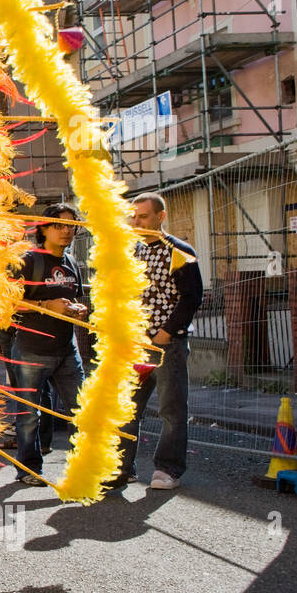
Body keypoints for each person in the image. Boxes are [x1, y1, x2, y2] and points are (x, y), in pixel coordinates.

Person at [112, 192, 203, 490]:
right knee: (126, 408)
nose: (136, 221)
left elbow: (192, 297)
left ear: (160, 217)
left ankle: (168, 469)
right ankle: (121, 469)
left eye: (144, 216)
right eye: (133, 216)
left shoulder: (179, 250)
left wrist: (166, 333)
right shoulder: (133, 252)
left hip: (168, 345)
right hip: (135, 344)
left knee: (171, 408)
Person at [10, 202, 88, 485]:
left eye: (72, 226)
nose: (67, 231)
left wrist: (77, 309)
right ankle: (29, 469)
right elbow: (9, 301)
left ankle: (86, 467)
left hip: (67, 350)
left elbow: (72, 299)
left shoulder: (71, 263)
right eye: (59, 225)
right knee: (29, 416)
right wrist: (45, 305)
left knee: (82, 410)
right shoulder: (29, 261)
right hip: (31, 351)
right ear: (43, 228)